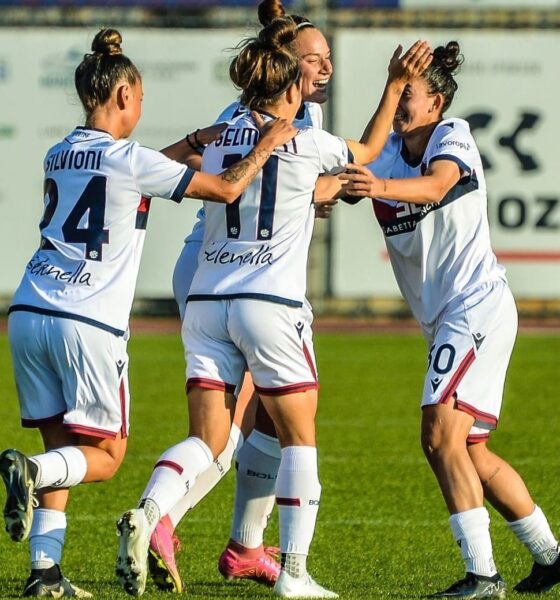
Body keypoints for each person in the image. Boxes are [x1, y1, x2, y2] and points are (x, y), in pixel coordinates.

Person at [116, 17, 431, 599]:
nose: (322, 69)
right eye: (310, 62)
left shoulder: (221, 138)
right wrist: (391, 87)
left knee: (211, 436)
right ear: (289, 82)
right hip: (268, 301)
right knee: (299, 437)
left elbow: (184, 175)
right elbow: (366, 151)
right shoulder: (307, 138)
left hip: (209, 300)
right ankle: (294, 572)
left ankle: (153, 510)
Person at [0, 27, 297, 599]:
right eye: (139, 97)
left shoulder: (59, 152)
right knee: (106, 457)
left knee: (65, 447)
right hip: (87, 321)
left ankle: (44, 572)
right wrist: (266, 146)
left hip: (30, 308)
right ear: (122, 97)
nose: (141, 107)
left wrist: (190, 141)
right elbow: (226, 189)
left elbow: (123, 174)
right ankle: (30, 477)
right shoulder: (130, 159)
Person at [340, 41, 560, 598]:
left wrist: (378, 187)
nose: (398, 104)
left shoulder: (450, 133)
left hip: (475, 306)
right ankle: (552, 555)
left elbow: (439, 183)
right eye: (394, 92)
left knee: (439, 437)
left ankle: (482, 576)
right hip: (446, 319)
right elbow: (343, 175)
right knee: (471, 451)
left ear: (436, 101)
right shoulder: (386, 151)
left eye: (407, 93)